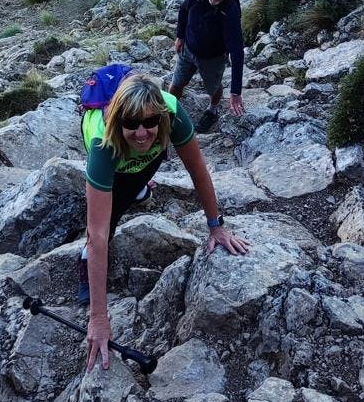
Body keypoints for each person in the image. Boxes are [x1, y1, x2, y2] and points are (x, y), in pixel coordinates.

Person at [80, 71, 249, 371]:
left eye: (149, 122)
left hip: (140, 157)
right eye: (131, 123)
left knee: (140, 169)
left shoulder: (172, 114)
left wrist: (216, 226)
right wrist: (98, 317)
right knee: (112, 211)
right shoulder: (102, 145)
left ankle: (139, 188)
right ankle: (85, 257)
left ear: (161, 117)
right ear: (119, 121)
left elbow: (197, 169)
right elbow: (97, 233)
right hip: (114, 154)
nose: (142, 131)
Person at [170, 0, 245, 133]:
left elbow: (237, 51)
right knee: (176, 84)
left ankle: (212, 109)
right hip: (188, 49)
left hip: (213, 58)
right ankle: (168, 114)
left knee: (214, 87)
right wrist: (180, 36)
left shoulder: (231, 11)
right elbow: (183, 10)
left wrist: (235, 92)